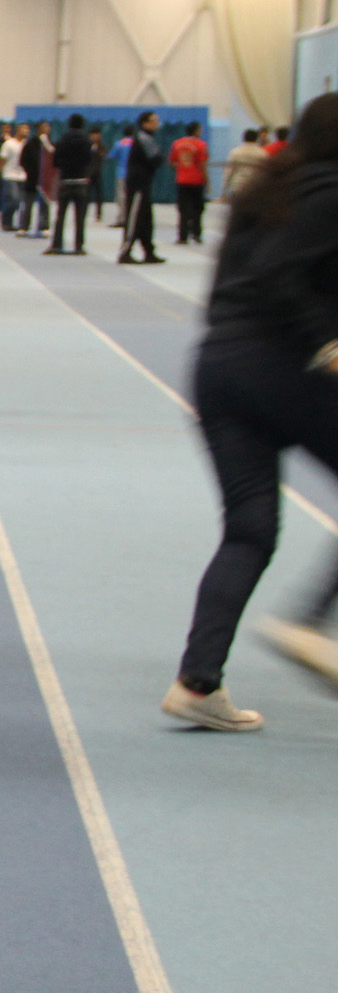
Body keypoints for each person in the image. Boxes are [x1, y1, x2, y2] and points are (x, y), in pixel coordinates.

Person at [163, 94, 338, 733]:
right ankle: (312, 624)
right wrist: (326, 341)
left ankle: (197, 682)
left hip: (218, 370)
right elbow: (280, 277)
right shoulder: (331, 192)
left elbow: (233, 287)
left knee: (250, 531)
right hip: (281, 368)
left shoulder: (265, 192)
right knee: (250, 529)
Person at [119, 110, 166, 265]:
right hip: (137, 186)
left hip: (144, 184)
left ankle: (149, 252)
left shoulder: (147, 138)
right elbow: (156, 159)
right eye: (154, 120)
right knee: (134, 218)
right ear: (145, 123)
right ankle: (125, 251)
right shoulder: (144, 138)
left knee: (146, 219)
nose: (157, 123)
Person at [47, 115, 96, 256]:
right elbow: (89, 159)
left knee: (60, 215)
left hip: (66, 180)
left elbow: (55, 161)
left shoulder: (62, 140)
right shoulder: (87, 141)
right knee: (80, 217)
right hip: (81, 181)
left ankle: (56, 245)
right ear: (82, 125)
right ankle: (79, 246)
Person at [171, 121, 210, 244]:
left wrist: (182, 169)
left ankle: (182, 236)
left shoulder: (177, 144)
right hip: (197, 180)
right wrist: (207, 181)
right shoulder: (201, 145)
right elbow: (203, 164)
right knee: (197, 209)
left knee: (183, 209)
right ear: (196, 131)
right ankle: (196, 234)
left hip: (182, 180)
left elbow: (171, 162)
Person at [16, 122, 49, 238]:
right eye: (45, 127)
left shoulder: (48, 144)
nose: (47, 129)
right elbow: (22, 161)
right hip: (32, 180)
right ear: (39, 129)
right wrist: (31, 172)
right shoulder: (30, 144)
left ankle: (44, 226)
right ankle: (24, 227)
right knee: (28, 204)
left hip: (45, 181)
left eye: (48, 127)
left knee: (45, 204)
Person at [0, 124, 26, 233]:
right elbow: (1, 161)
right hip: (9, 175)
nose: (26, 131)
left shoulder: (25, 144)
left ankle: (21, 224)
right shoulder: (9, 144)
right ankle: (6, 222)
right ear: (17, 130)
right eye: (24, 128)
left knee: (22, 202)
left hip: (22, 176)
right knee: (13, 200)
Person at [225, 127, 268, 200]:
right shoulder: (263, 153)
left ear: (243, 138)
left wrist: (224, 191)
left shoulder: (235, 152)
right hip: (255, 186)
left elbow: (229, 172)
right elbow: (265, 173)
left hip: (238, 185)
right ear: (257, 139)